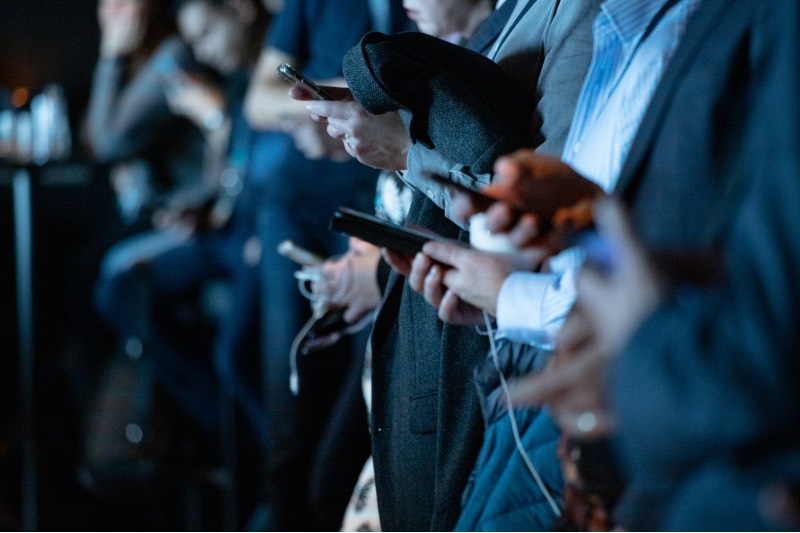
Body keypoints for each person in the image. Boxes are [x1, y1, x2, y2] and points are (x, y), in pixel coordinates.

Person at [435, 0, 800, 529]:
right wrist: (586, 220)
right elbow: (729, 234)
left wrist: (636, 349)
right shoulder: (644, 23)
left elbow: (760, 349)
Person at [302, 0, 599, 528]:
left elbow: (540, 212)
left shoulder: (578, 14)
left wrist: (403, 149)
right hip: (446, 331)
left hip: (502, 355)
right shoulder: (513, 21)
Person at [242, 1, 409, 530]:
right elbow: (260, 100)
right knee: (289, 391)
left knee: (358, 407)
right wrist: (329, 104)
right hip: (301, 204)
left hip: (383, 205)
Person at [92, 0, 271, 488]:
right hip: (216, 219)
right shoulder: (203, 57)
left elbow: (105, 140)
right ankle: (214, 439)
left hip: (242, 226)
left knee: (114, 277)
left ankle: (237, 449)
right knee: (115, 280)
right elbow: (231, 173)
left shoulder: (196, 55)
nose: (204, 50)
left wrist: (213, 122)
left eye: (209, 35)